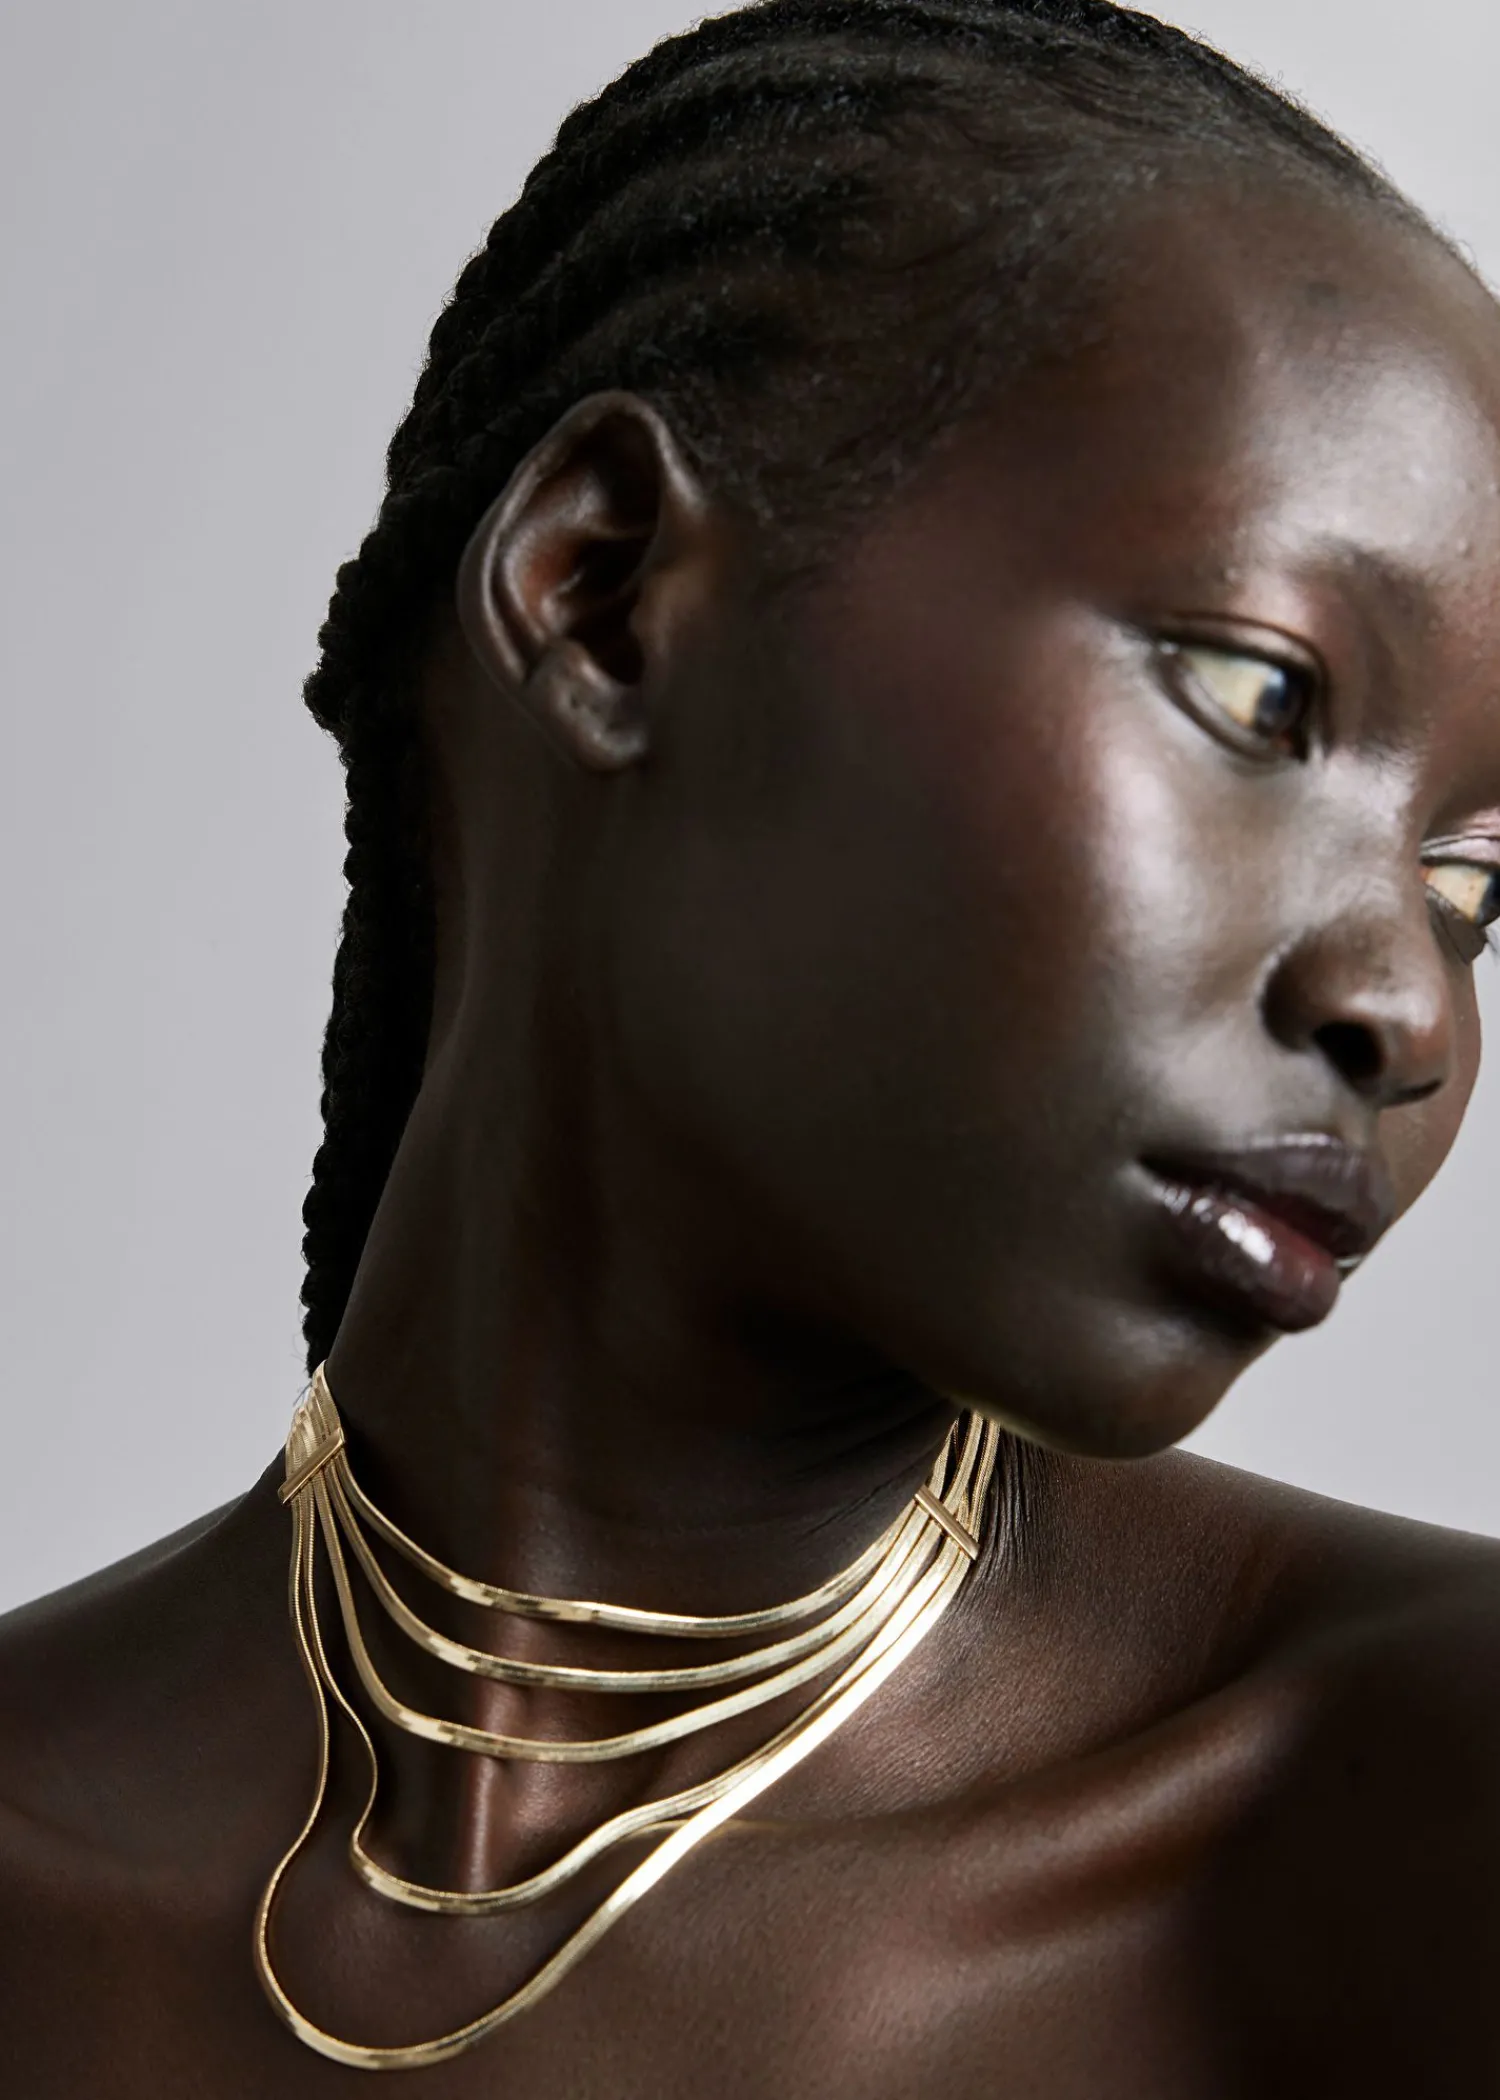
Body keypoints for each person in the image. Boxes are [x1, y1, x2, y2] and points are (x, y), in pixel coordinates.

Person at [4, 0, 1500, 2090]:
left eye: (1474, 883)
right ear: (604, 592)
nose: (1410, 1007)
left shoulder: (1409, 1824)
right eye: (1261, 696)